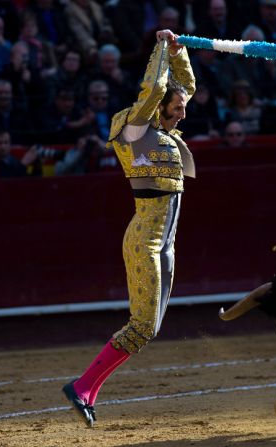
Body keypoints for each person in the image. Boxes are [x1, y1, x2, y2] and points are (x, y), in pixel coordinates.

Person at [61, 29, 196, 428]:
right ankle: (82, 386)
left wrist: (178, 50)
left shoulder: (160, 127)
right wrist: (159, 46)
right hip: (147, 242)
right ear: (158, 108)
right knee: (142, 326)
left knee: (149, 327)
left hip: (164, 243)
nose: (182, 114)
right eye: (176, 108)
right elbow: (155, 88)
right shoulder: (136, 130)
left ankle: (86, 390)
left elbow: (182, 85)